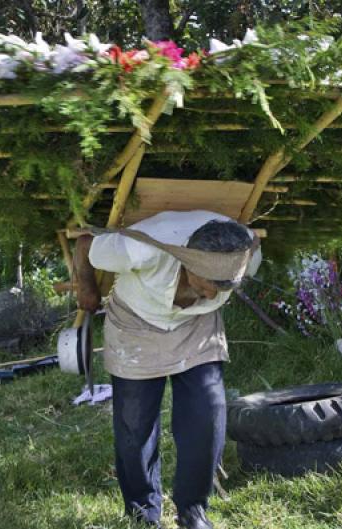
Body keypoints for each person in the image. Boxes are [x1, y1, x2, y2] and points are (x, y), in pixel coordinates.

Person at [74, 210, 261, 529]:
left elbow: (223, 278)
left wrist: (210, 289)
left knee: (207, 412)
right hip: (136, 323)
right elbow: (84, 243)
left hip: (197, 328)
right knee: (134, 425)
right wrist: (87, 288)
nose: (215, 294)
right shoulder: (142, 247)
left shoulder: (246, 254)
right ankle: (143, 512)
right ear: (189, 263)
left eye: (224, 288)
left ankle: (193, 509)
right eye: (210, 285)